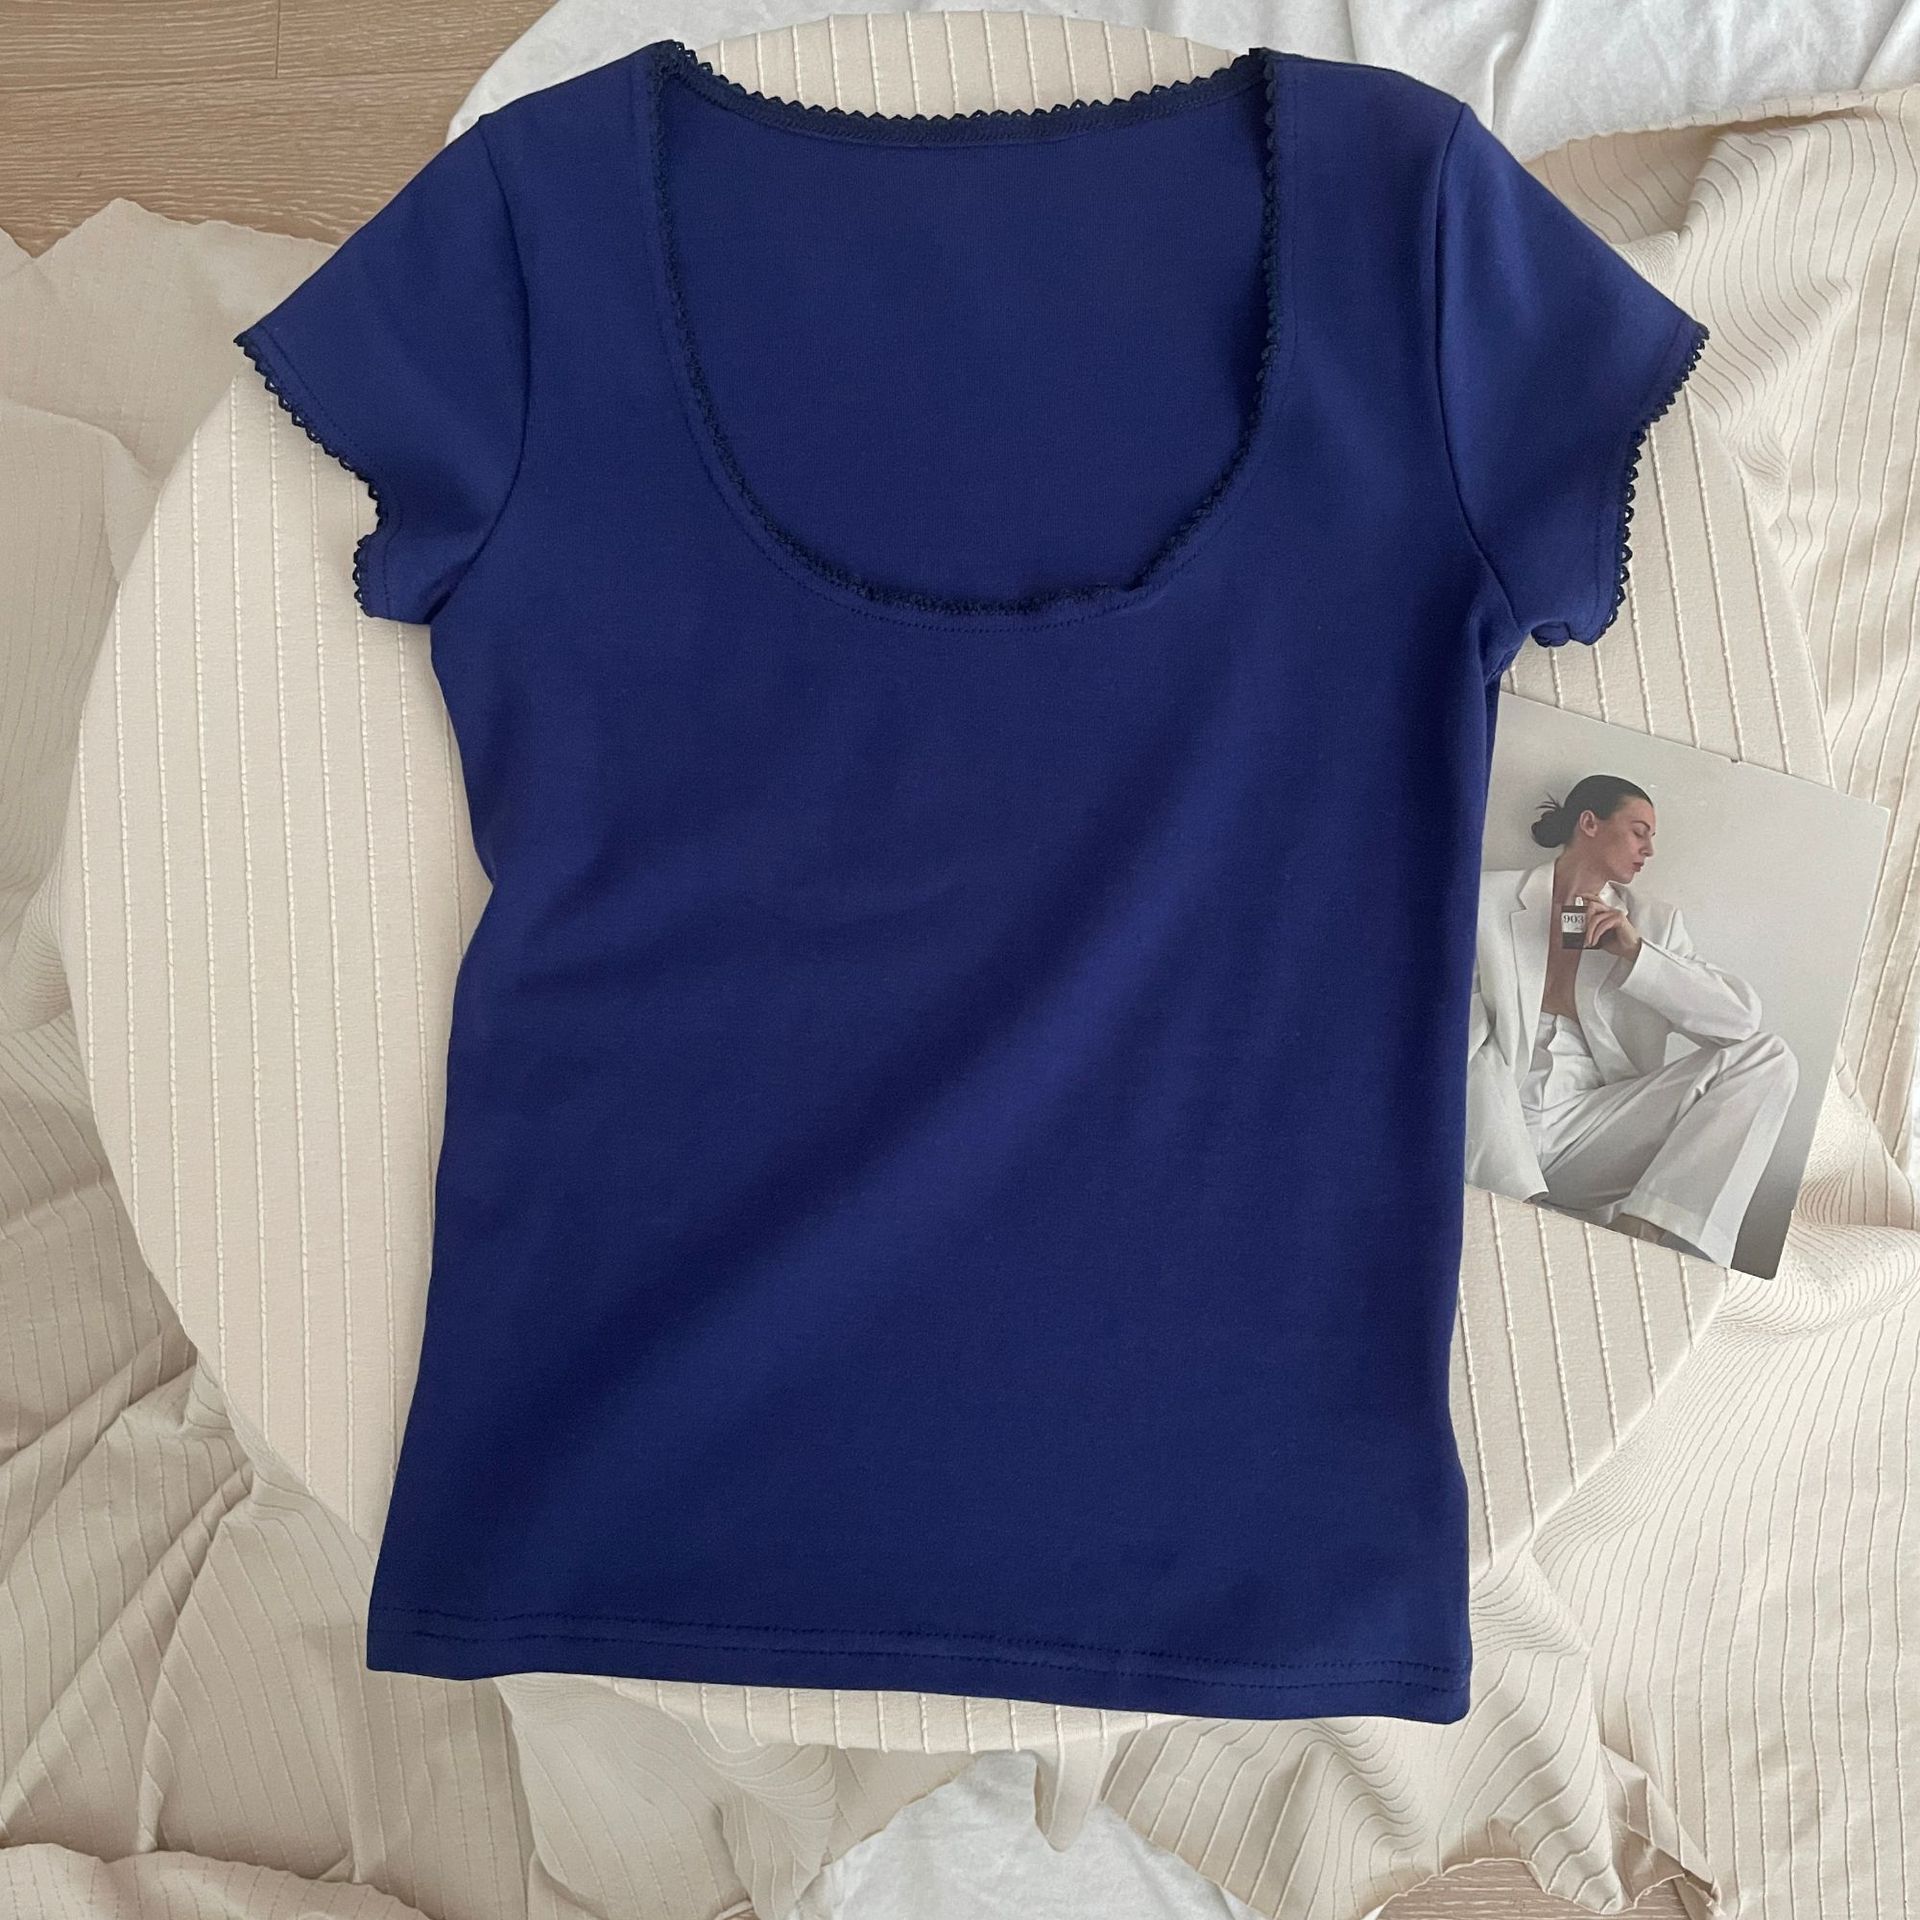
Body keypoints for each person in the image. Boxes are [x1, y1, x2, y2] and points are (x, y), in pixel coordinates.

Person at [1467, 774, 1799, 1266]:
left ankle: (1641, 1233)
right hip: (1494, 1114)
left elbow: (1739, 1022)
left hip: (1594, 1130)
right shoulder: (1485, 898)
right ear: (1589, 824)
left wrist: (1637, 953)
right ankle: (1515, 1205)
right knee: (1473, 1038)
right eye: (1639, 831)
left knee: (1771, 1058)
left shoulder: (1654, 923)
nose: (1649, 849)